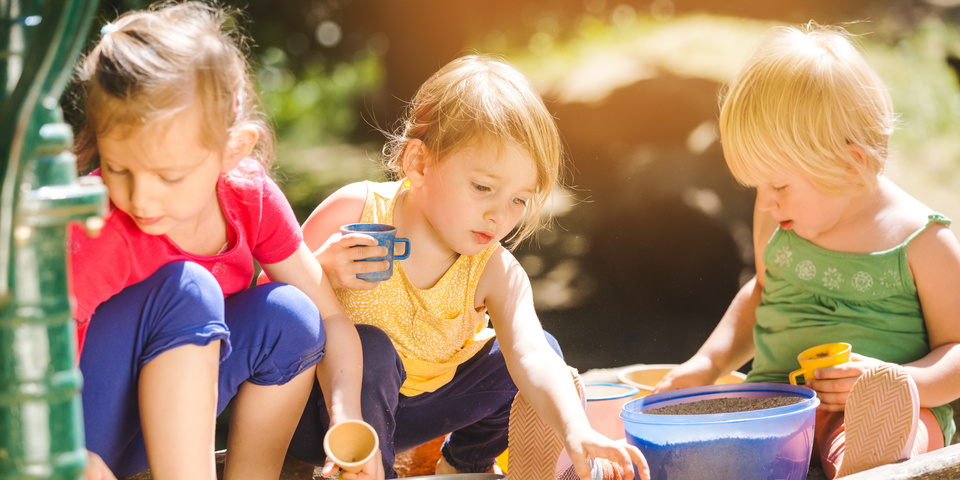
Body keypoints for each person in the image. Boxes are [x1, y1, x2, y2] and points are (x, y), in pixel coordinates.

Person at [286, 54, 649, 480]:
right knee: (373, 350)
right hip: (324, 419)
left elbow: (530, 355)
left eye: (519, 199)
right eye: (483, 188)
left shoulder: (493, 268)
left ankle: (463, 466)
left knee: (541, 350)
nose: (500, 216)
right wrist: (321, 269)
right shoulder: (355, 210)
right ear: (419, 163)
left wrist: (576, 428)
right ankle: (366, 472)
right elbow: (269, 305)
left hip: (414, 418)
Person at [68, 3, 365, 479]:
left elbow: (329, 315)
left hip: (160, 427)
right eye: (119, 168)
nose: (140, 198)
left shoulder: (250, 200)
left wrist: (348, 414)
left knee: (292, 315)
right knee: (189, 289)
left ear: (234, 150)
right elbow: (29, 351)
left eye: (170, 175)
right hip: (80, 435)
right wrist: (66, 454)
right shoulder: (97, 223)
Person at [654, 23, 960, 478]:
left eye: (779, 184)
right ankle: (584, 458)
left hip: (872, 408)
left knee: (884, 434)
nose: (767, 199)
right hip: (775, 405)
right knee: (689, 439)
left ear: (851, 164)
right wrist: (707, 362)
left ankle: (876, 459)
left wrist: (895, 381)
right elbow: (761, 293)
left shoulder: (923, 243)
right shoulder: (777, 215)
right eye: (759, 184)